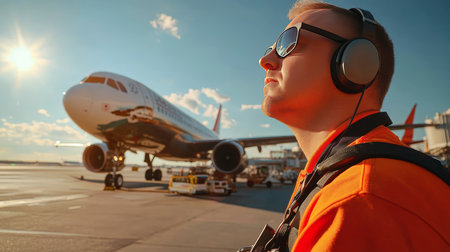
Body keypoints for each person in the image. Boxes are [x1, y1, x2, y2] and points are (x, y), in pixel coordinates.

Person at [258, 1, 450, 251]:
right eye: (270, 48)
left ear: (357, 63)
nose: (265, 60)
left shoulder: (361, 199)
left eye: (288, 42)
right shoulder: (331, 174)